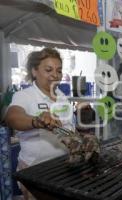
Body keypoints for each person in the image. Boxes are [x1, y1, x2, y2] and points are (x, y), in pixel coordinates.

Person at [5, 48, 74, 200]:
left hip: (62, 167)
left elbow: (67, 129)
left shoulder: (62, 97)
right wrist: (36, 121)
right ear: (34, 71)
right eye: (48, 70)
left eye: (59, 70)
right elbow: (12, 116)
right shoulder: (25, 95)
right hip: (35, 172)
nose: (55, 75)